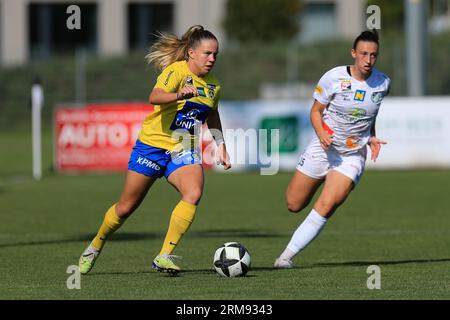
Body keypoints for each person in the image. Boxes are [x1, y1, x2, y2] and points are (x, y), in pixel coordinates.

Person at [78, 25, 231, 275]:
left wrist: (221, 145)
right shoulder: (176, 71)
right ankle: (95, 245)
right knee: (126, 208)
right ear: (191, 53)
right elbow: (155, 96)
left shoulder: (214, 86)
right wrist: (178, 94)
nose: (212, 59)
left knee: (193, 193)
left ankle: (164, 255)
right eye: (207, 53)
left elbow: (212, 115)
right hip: (152, 146)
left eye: (215, 54)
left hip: (183, 147)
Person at [274, 30, 390, 268]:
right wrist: (321, 133)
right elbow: (315, 111)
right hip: (323, 147)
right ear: (353, 53)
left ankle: (285, 257)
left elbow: (370, 116)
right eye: (364, 54)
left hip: (352, 155)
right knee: (293, 203)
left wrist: (372, 137)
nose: (368, 60)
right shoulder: (333, 78)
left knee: (327, 204)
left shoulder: (383, 83)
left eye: (374, 55)